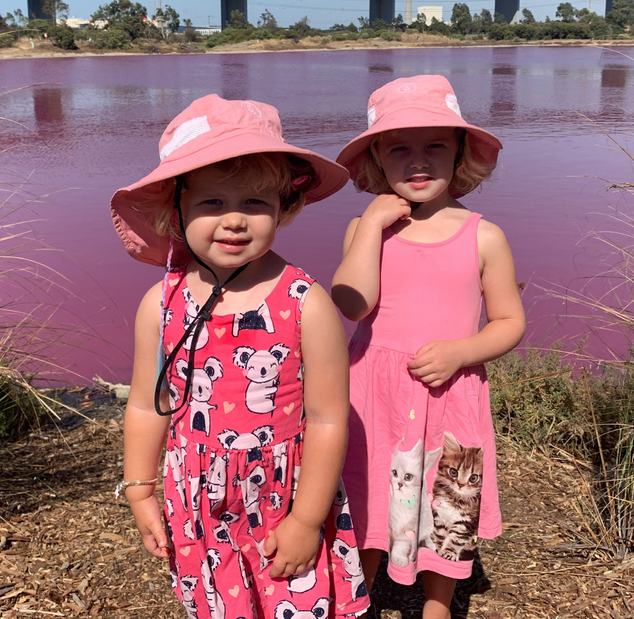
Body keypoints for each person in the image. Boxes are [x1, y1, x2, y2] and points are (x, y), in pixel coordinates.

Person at [111, 94, 370, 619]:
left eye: (254, 203)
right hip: (197, 500)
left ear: (283, 207)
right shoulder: (160, 305)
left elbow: (327, 419)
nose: (234, 220)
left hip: (283, 498)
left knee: (294, 600)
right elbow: (146, 404)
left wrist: (306, 520)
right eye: (212, 202)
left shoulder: (306, 303)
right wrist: (140, 490)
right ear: (177, 208)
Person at [331, 75, 526, 619]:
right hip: (373, 397)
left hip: (450, 394)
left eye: (435, 145)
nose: (418, 161)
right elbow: (350, 303)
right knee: (367, 497)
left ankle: (438, 605)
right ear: (376, 157)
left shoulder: (483, 235)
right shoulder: (365, 229)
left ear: (460, 152)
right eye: (398, 148)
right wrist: (371, 224)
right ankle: (357, 600)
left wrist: (463, 351)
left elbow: (509, 321)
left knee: (449, 508)